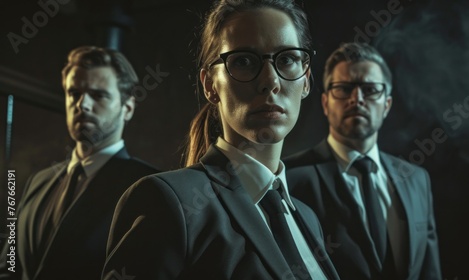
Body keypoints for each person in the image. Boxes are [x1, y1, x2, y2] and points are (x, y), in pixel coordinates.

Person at [102, 1, 340, 279]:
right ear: (209, 85)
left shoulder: (307, 218)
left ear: (307, 79)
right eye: (243, 61)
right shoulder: (167, 203)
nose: (270, 80)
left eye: (286, 59)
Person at [284, 42, 442, 279]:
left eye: (370, 90)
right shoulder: (290, 177)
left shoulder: (417, 180)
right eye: (344, 88)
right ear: (326, 103)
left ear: (386, 104)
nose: (356, 99)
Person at [0, 46, 159, 280]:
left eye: (99, 95)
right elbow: (9, 265)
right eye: (74, 93)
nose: (82, 104)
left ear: (128, 108)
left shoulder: (149, 187)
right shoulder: (39, 181)